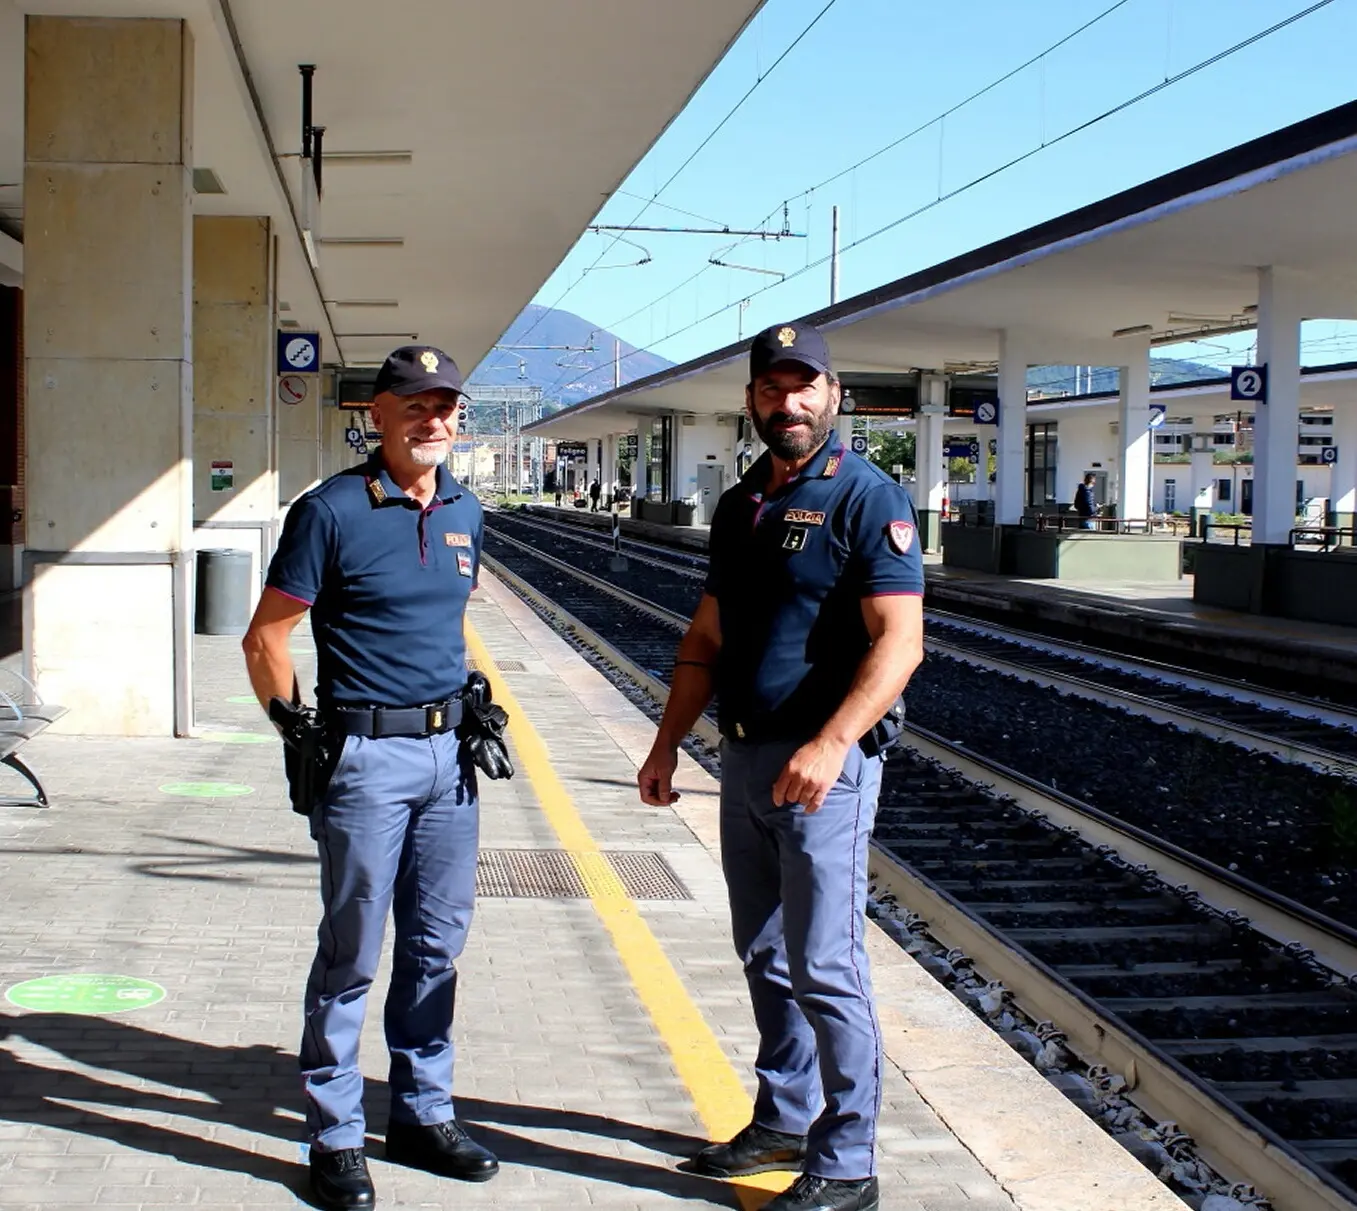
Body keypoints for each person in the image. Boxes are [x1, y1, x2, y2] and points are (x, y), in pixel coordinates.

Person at [638, 323, 925, 1211]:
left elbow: (899, 643)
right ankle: (783, 1117)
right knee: (763, 952)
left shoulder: (868, 499)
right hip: (746, 754)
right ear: (753, 398)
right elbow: (707, 634)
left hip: (821, 771)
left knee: (825, 963)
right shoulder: (739, 504)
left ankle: (847, 1163)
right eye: (772, 388)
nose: (788, 403)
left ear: (834, 394)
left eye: (805, 387)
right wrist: (663, 742)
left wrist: (832, 741)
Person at [241, 345, 497, 1211]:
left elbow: (446, 627)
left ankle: (422, 1113)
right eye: (414, 405)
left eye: (446, 407)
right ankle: (336, 1130)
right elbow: (266, 637)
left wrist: (472, 699)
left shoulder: (467, 510)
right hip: (365, 763)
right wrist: (296, 731)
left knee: (437, 945)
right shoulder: (331, 511)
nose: (433, 420)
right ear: (377, 413)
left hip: (449, 759)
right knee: (352, 949)